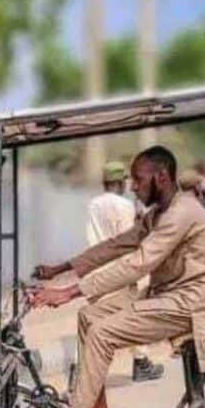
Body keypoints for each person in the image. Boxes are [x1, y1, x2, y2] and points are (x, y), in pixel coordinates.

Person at [29, 146, 205, 408]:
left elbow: (139, 262)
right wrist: (61, 269)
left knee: (102, 333)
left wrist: (71, 291)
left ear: (160, 177)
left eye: (138, 179)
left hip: (192, 302)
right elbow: (118, 245)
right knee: (89, 316)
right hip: (167, 295)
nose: (132, 186)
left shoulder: (181, 213)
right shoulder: (158, 213)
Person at [86, 160, 164, 382]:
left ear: (104, 182)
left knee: (93, 322)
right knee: (136, 315)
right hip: (119, 270)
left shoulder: (93, 204)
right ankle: (141, 363)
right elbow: (128, 241)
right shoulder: (124, 206)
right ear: (120, 182)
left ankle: (77, 372)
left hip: (96, 269)